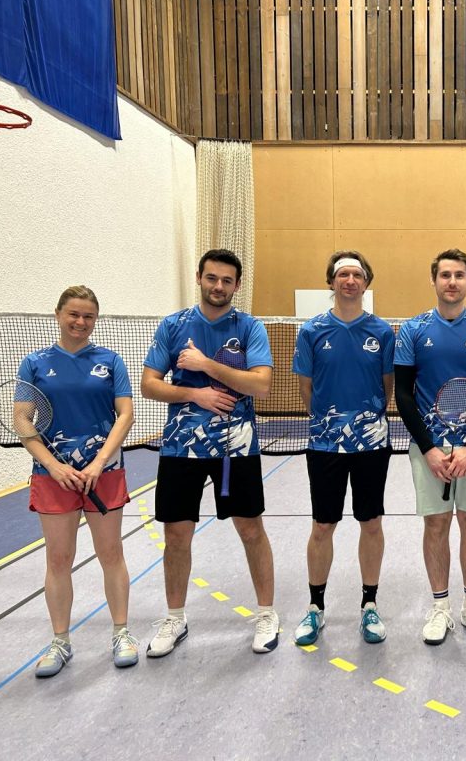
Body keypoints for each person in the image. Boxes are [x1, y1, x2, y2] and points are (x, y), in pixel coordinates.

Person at [142, 248, 278, 657]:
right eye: (212, 278)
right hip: (180, 448)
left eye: (227, 280)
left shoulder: (250, 327)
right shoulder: (173, 325)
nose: (218, 286)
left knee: (251, 530)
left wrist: (205, 365)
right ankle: (175, 618)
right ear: (199, 278)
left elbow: (261, 385)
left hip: (236, 446)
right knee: (176, 535)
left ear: (237, 285)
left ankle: (267, 614)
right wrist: (194, 394)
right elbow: (149, 385)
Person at [17, 286, 136, 678]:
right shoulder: (34, 364)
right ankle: (60, 641)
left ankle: (121, 633)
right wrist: (54, 466)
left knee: (111, 554)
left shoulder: (110, 361)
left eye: (88, 316)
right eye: (73, 314)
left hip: (103, 474)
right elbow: (22, 419)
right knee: (58, 559)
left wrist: (99, 462)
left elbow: (125, 415)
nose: (80, 322)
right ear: (58, 314)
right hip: (53, 477)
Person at [394, 248, 466, 645]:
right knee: (436, 523)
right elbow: (403, 394)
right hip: (429, 446)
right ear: (434, 280)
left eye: (459, 275)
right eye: (445, 275)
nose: (452, 282)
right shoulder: (412, 329)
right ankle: (440, 607)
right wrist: (427, 448)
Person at [290, 251, 395, 645]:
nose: (350, 280)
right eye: (343, 274)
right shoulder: (311, 331)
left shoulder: (382, 332)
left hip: (371, 444)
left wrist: (365, 423)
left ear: (366, 283)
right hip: (325, 444)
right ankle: (315, 607)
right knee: (323, 525)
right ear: (331, 282)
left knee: (371, 523)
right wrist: (329, 423)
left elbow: (387, 386)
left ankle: (369, 604)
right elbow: (306, 387)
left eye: (357, 275)